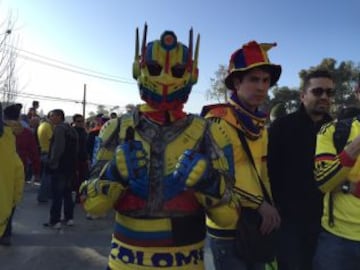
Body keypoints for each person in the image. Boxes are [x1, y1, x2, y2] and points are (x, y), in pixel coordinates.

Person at [80, 26, 238, 270]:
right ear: (139, 69)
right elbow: (92, 206)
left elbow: (229, 217)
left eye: (176, 71)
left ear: (191, 74)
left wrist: (207, 182)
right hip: (125, 261)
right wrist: (113, 174)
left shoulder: (211, 132)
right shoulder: (115, 128)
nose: (165, 79)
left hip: (186, 261)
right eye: (155, 69)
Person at [202, 41, 281, 270]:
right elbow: (215, 177)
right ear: (237, 83)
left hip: (259, 222)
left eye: (265, 81)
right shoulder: (217, 121)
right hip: (227, 225)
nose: (261, 87)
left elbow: (263, 172)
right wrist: (260, 204)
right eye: (254, 79)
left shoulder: (260, 124)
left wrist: (271, 207)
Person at [268, 69, 335, 270]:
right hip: (289, 224)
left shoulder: (336, 129)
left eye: (329, 93)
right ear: (303, 95)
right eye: (318, 91)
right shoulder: (281, 127)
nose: (324, 97)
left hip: (326, 225)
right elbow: (268, 171)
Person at [313, 81, 360, 270]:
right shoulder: (333, 130)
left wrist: (348, 185)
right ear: (357, 92)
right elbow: (323, 181)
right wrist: (354, 147)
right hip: (338, 239)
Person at [43, 109, 78, 229]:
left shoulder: (59, 129)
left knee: (57, 194)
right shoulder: (71, 129)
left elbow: (58, 148)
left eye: (52, 116)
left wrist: (51, 161)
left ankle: (55, 220)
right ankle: (69, 218)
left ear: (59, 116)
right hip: (70, 166)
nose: (50, 118)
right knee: (67, 193)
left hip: (59, 166)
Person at [0, 103, 25, 246]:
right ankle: (6, 234)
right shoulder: (20, 132)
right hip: (12, 176)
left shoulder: (7, 133)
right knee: (9, 203)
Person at [3, 103, 41, 184]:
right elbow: (33, 153)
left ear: (4, 116)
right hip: (19, 168)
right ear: (19, 117)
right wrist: (36, 171)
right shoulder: (26, 133)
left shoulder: (2, 131)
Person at [72, 113, 89, 203]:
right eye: (79, 121)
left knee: (82, 178)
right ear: (74, 122)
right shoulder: (72, 132)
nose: (81, 123)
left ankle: (80, 196)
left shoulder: (84, 132)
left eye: (82, 121)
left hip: (83, 159)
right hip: (74, 159)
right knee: (75, 178)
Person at [37, 112, 54, 203]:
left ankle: (45, 195)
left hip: (43, 152)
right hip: (48, 153)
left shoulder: (41, 125)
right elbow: (52, 139)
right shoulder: (47, 126)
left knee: (46, 176)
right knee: (47, 177)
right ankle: (43, 196)